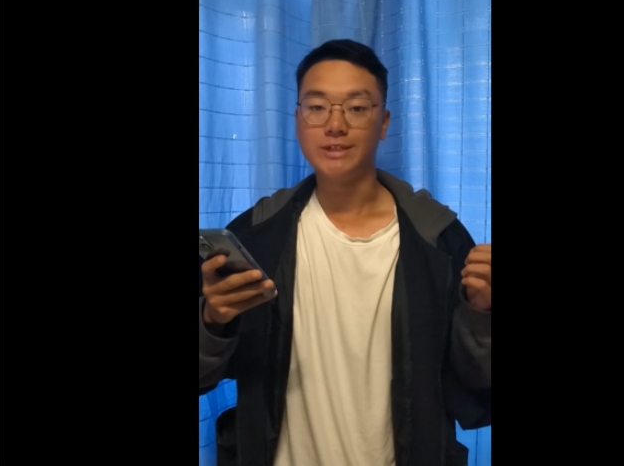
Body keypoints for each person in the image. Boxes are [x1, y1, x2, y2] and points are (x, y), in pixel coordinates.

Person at [199, 39, 491, 466]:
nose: (335, 125)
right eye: (317, 107)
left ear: (384, 123)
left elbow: (477, 387)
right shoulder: (255, 236)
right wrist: (213, 320)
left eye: (356, 107)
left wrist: (481, 316)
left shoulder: (440, 241)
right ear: (297, 120)